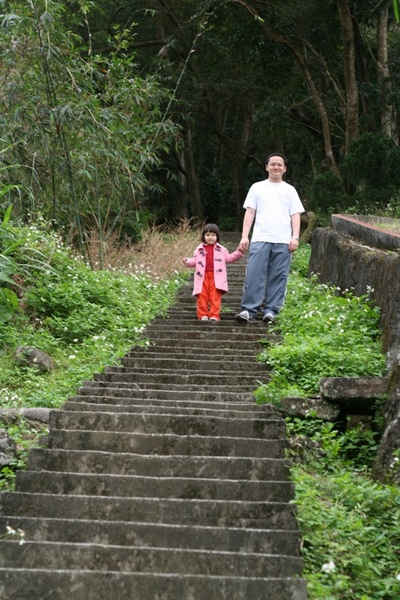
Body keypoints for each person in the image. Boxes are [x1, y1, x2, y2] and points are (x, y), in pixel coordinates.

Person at [235, 153, 305, 323]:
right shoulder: (257, 187)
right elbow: (250, 212)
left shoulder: (290, 190)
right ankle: (249, 310)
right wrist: (245, 236)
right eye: (273, 164)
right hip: (260, 238)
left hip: (283, 240)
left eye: (280, 165)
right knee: (254, 274)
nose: (276, 167)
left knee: (278, 276)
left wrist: (295, 237)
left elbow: (295, 215)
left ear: (285, 168)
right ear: (266, 166)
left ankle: (271, 310)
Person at [182, 223, 244, 321]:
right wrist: (187, 261)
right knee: (202, 296)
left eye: (213, 235)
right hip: (202, 277)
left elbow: (230, 258)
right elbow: (195, 261)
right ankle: (202, 315)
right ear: (203, 236)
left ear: (217, 236)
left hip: (217, 277)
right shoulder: (199, 250)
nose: (210, 237)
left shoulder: (222, 250)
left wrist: (239, 252)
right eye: (207, 235)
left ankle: (214, 315)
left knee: (215, 296)